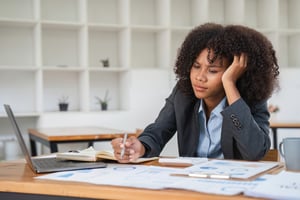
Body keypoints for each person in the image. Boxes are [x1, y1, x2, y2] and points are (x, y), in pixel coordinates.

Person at [111, 23, 280, 162]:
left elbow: (255, 151)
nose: (200, 77)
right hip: (192, 186)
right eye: (196, 66)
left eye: (212, 70)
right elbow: (158, 131)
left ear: (235, 73)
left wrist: (229, 84)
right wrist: (140, 147)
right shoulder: (183, 94)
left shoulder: (249, 100)